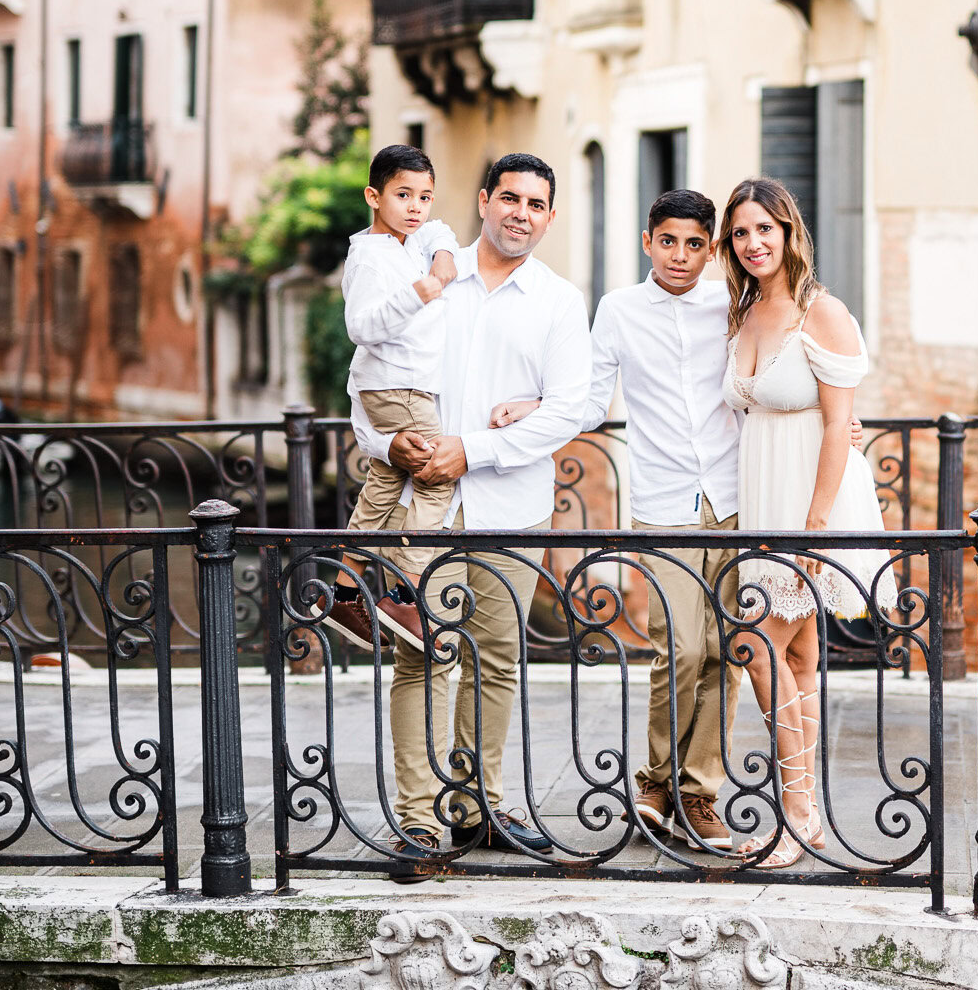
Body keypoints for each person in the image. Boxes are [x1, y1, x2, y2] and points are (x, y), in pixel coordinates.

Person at [349, 155, 591, 880]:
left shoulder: (558, 299)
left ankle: (477, 806)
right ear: (483, 201)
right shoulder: (428, 278)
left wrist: (472, 451)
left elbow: (570, 409)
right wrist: (386, 442)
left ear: (550, 217)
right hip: (422, 511)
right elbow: (368, 386)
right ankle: (420, 822)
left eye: (536, 203)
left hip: (510, 511)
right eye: (509, 197)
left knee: (495, 663)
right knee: (420, 657)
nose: (521, 212)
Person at [719, 176, 897, 870]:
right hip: (765, 492)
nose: (753, 242)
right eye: (740, 233)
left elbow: (836, 423)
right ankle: (808, 811)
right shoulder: (742, 310)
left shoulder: (822, 312)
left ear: (789, 231)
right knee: (793, 654)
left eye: (765, 228)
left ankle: (795, 815)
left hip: (812, 502)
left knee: (755, 642)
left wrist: (815, 525)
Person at [583, 189, 743, 853]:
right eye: (669, 241)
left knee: (725, 651)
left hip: (736, 496)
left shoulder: (735, 304)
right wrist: (528, 406)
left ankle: (697, 791)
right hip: (664, 499)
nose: (681, 256)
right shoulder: (618, 310)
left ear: (712, 248)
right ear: (648, 241)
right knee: (677, 646)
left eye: (695, 244)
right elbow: (589, 398)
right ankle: (653, 780)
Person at [332, 143, 459, 652]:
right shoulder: (369, 255)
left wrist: (444, 251)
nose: (415, 207)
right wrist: (421, 290)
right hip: (399, 384)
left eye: (424, 196)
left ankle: (342, 591)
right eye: (403, 195)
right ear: (373, 196)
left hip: (397, 383)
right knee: (435, 477)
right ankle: (406, 592)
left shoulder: (413, 237)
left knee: (385, 481)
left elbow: (437, 230)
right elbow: (359, 325)